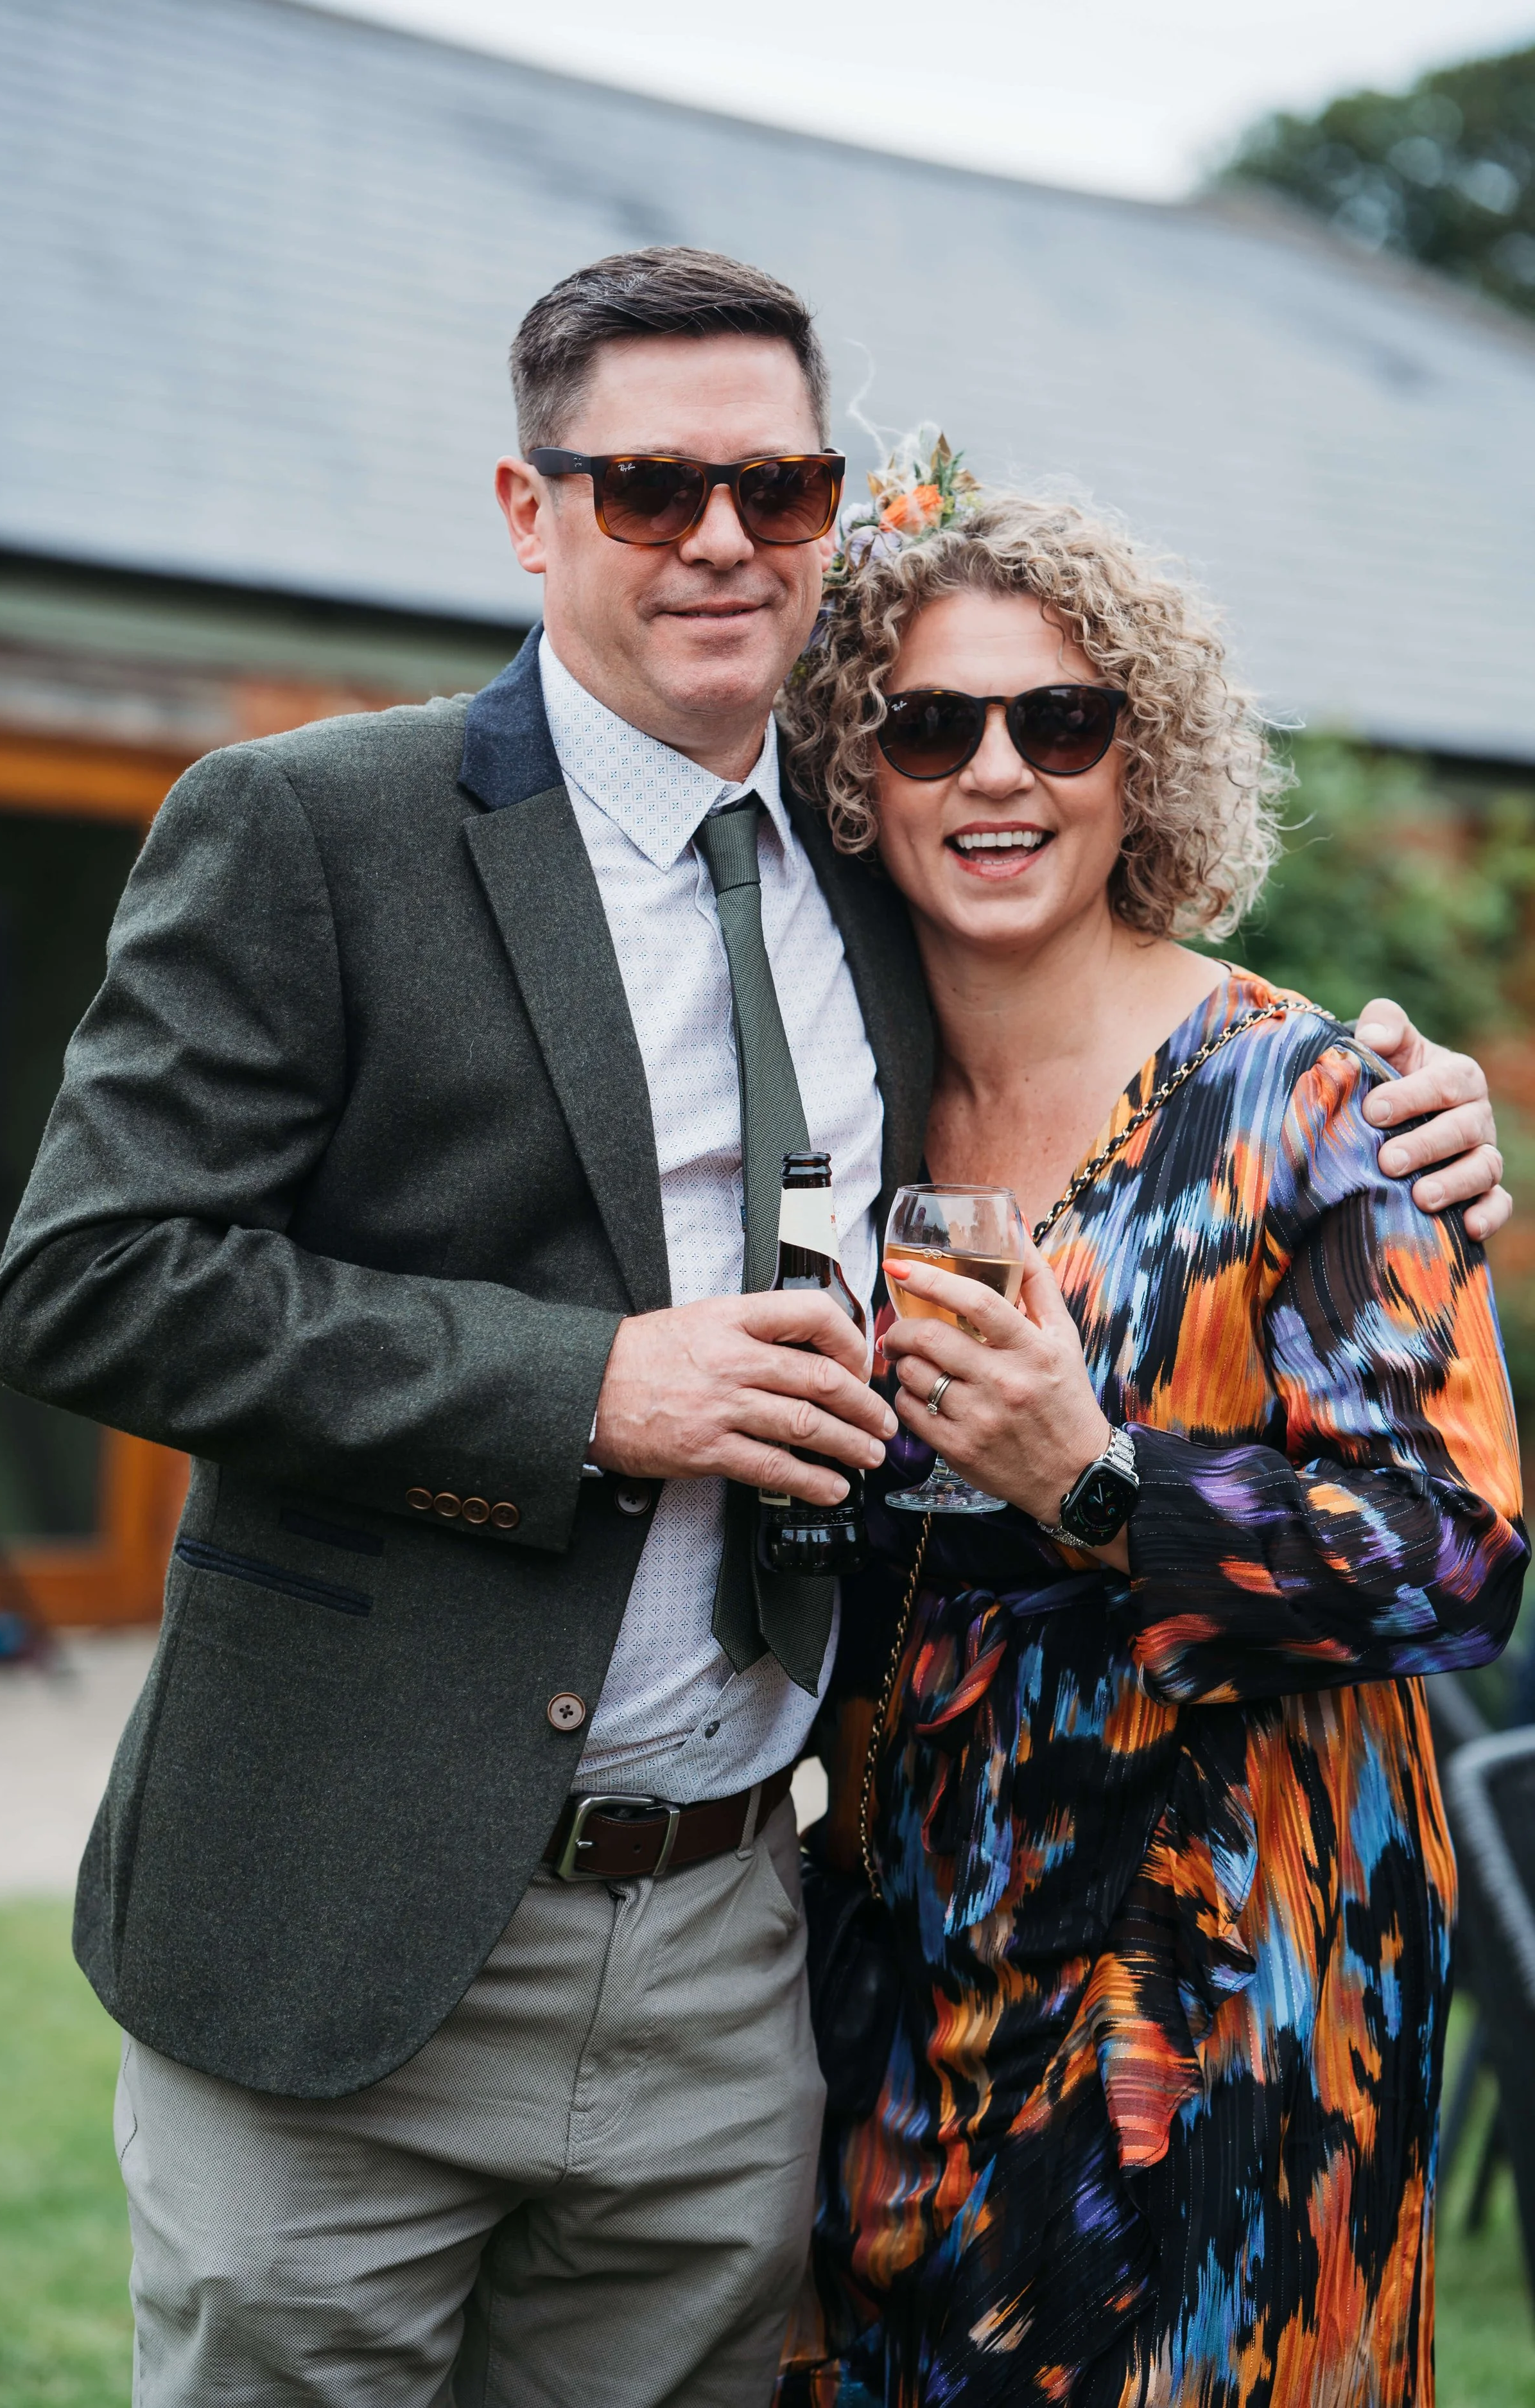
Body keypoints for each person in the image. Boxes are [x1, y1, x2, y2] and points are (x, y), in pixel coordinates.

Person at [0, 252, 1506, 2407]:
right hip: (353, 1915)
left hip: (741, 1946)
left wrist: (1403, 1106)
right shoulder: (315, 826)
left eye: (775, 486)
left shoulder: (862, 882)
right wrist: (586, 1386)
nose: (716, 536)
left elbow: (1114, 1004)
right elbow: (88, 1277)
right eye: (647, 488)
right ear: (530, 511)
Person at [776, 455, 1527, 2405]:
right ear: (857, 776)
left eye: (1062, 718)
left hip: (1220, 1987)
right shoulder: (844, 1115)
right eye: (928, 723)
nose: (996, 770)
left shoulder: (1311, 1097)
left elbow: (1455, 1553)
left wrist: (1095, 1478)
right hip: (907, 1964)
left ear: (1143, 761)